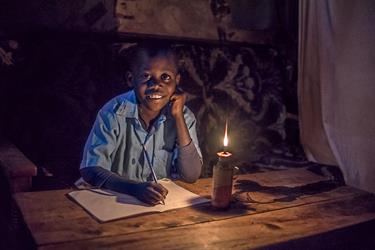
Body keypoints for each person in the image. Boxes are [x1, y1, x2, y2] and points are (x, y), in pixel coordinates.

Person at [79, 42, 202, 205]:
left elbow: (191, 175)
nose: (156, 85)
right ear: (131, 79)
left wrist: (178, 117)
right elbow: (91, 169)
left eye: (166, 77)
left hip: (158, 203)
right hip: (115, 200)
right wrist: (135, 188)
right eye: (145, 76)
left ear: (176, 81)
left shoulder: (184, 115)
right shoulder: (113, 112)